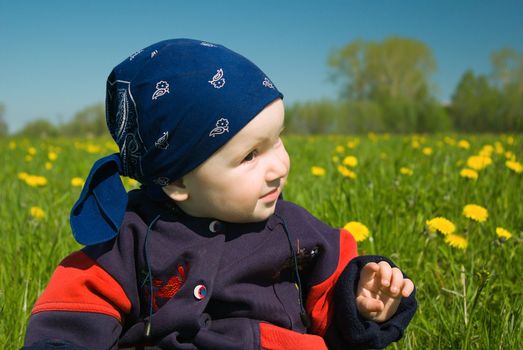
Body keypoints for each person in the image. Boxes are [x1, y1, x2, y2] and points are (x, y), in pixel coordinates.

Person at [23, 38, 416, 350]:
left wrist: (362, 301)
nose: (279, 166)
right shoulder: (131, 236)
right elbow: (78, 302)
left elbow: (331, 293)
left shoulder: (294, 230)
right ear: (176, 182)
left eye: (277, 141)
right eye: (249, 155)